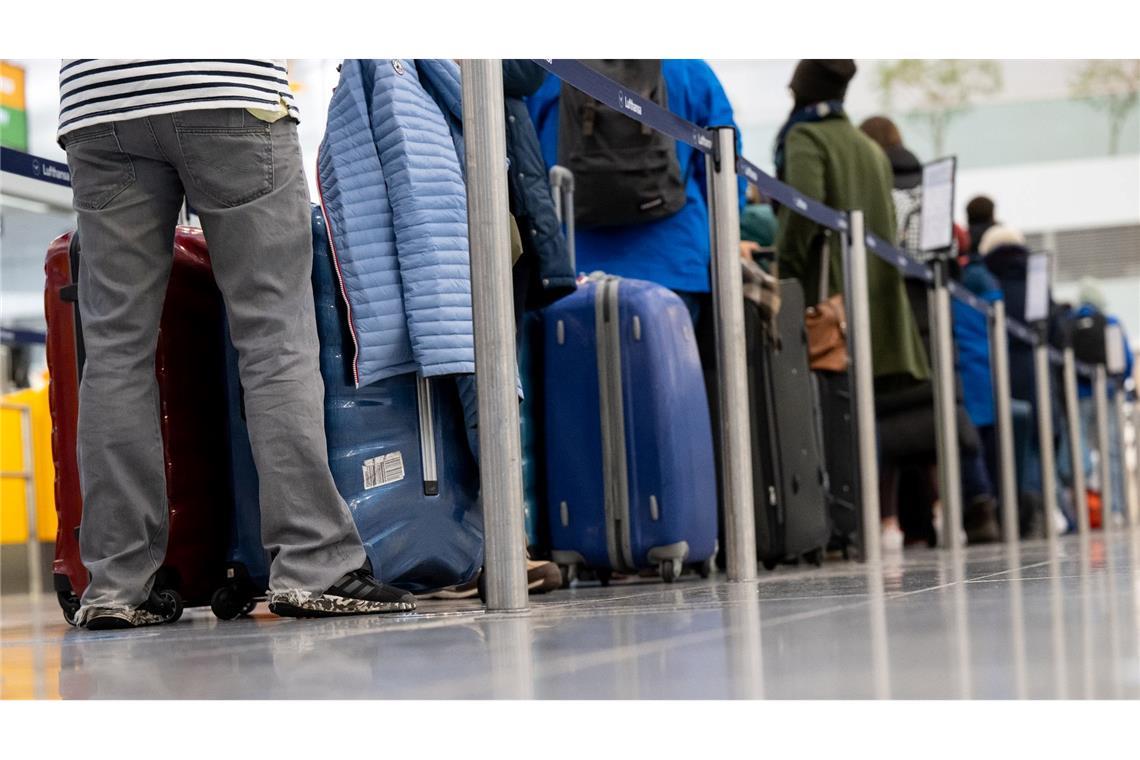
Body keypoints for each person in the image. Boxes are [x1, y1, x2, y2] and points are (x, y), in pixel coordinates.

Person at [59, 59, 415, 629]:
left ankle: (117, 588)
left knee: (114, 353)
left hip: (100, 103)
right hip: (225, 85)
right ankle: (312, 567)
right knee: (274, 338)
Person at [773, 60, 930, 552]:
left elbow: (801, 214)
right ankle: (865, 520)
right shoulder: (869, 149)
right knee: (863, 414)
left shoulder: (805, 139)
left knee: (828, 414)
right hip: (875, 302)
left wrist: (785, 277)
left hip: (829, 300)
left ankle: (841, 523)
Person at [527, 59, 746, 325]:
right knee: (667, 365)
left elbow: (526, 168)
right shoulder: (688, 68)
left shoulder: (548, 69)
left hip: (570, 271)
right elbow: (727, 175)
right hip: (672, 263)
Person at [1073, 277, 1134, 524]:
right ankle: (1116, 509)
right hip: (1107, 395)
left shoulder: (1069, 323)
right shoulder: (1111, 323)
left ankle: (1084, 513)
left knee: (1081, 455)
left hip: (1078, 396)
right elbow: (1126, 363)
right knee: (1112, 453)